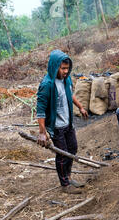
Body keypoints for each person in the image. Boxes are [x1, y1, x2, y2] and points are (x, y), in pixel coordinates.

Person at [36, 49, 89, 194]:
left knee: (72, 149)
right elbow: (40, 109)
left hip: (68, 123)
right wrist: (42, 132)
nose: (66, 71)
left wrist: (81, 107)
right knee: (62, 154)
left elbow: (69, 95)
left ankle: (69, 176)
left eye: (67, 68)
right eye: (63, 68)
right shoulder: (47, 84)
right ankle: (65, 185)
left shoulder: (66, 79)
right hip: (56, 126)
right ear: (55, 66)